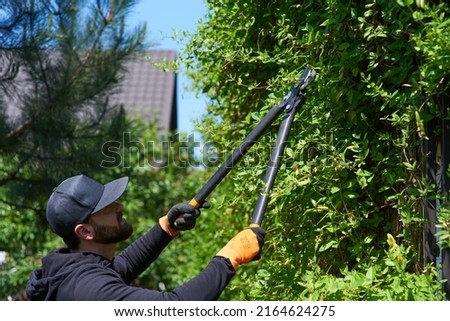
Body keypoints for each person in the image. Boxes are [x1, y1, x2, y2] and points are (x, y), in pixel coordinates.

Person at [25, 174, 265, 300]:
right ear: (85, 231)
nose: (118, 206)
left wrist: (167, 227)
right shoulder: (89, 289)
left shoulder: (74, 268)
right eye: (106, 208)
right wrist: (229, 257)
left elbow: (124, 265)